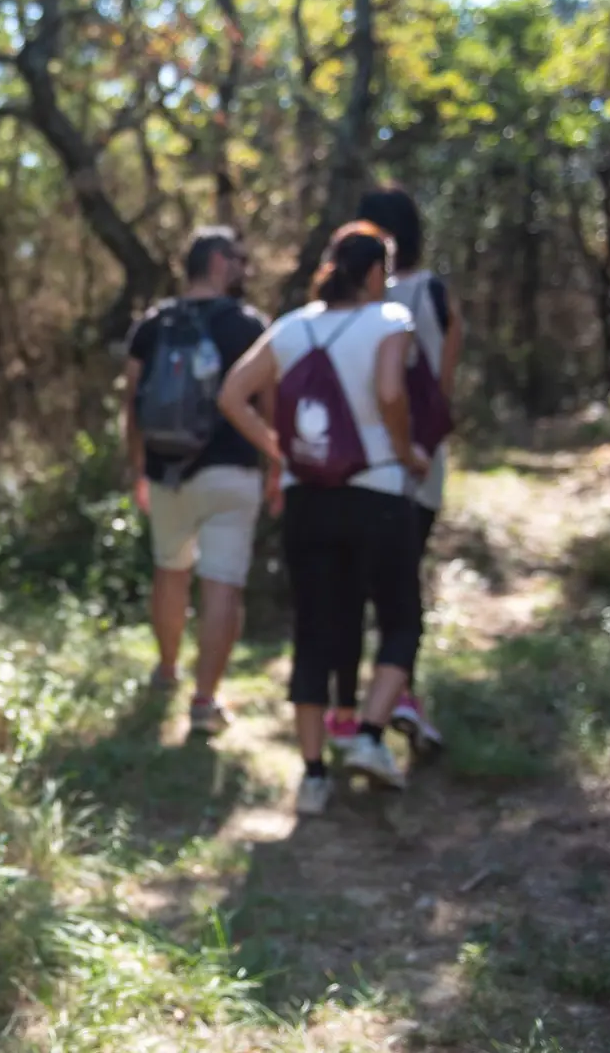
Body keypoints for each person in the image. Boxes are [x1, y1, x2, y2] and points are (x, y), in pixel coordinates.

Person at [216, 221, 428, 815]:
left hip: (308, 497)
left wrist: (279, 449)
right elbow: (391, 392)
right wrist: (406, 448)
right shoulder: (388, 320)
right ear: (372, 273)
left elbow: (232, 394)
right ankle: (368, 736)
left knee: (314, 630)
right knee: (400, 620)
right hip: (379, 489)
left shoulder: (292, 326)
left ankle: (312, 776)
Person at [324, 187, 464, 759]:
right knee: (400, 594)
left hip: (352, 468)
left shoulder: (348, 299)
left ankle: (354, 709)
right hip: (414, 468)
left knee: (355, 592)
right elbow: (444, 380)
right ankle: (397, 699)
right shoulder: (430, 294)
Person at [122, 226, 275, 737]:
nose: (243, 268)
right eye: (236, 258)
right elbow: (270, 404)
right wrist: (277, 466)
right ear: (215, 262)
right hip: (231, 471)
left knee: (170, 570)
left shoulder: (153, 323)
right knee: (222, 582)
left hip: (166, 471)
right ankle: (204, 701)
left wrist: (138, 467)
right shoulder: (249, 326)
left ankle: (167, 671)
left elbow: (132, 403)